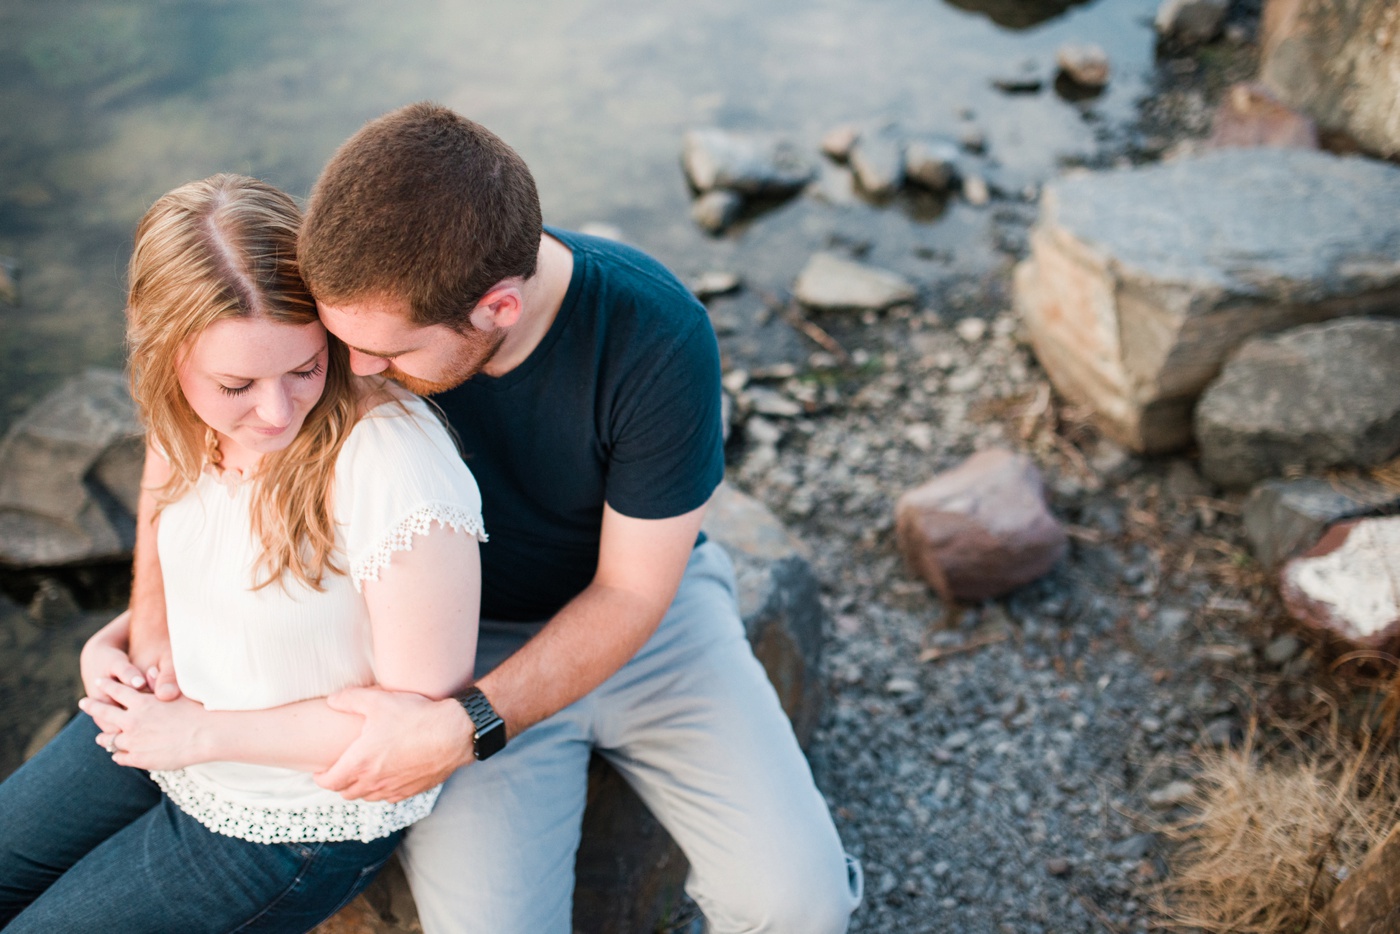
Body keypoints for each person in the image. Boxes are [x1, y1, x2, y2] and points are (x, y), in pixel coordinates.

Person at [125, 104, 863, 933]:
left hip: (656, 631)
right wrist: (147, 618)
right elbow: (187, 411)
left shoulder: (655, 336)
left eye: (392, 354)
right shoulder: (368, 297)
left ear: (498, 309)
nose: (352, 372)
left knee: (802, 907)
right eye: (341, 343)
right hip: (458, 645)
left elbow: (630, 592)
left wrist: (461, 726)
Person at [0, 174, 486, 933]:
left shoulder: (396, 468)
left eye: (304, 368)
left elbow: (414, 734)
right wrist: (136, 631)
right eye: (236, 384)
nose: (274, 411)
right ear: (165, 358)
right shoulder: (185, 414)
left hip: (295, 816)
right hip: (170, 732)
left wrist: (200, 734)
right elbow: (165, 490)